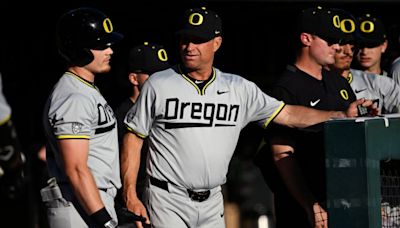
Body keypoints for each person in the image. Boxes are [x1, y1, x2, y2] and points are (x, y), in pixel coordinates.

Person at [120, 6, 377, 228]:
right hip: (167, 197)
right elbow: (134, 136)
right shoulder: (159, 83)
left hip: (212, 200)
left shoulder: (239, 88)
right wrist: (130, 193)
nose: (189, 47)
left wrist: (341, 114)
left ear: (217, 43)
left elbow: (287, 113)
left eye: (198, 39)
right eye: (185, 39)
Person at [255, 6, 375, 228]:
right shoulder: (286, 87)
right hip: (304, 210)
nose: (337, 46)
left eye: (338, 40)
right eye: (329, 40)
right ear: (306, 38)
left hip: (344, 202)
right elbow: (282, 155)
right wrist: (310, 205)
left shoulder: (338, 82)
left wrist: (366, 116)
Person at [41, 7, 123, 228]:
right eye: (101, 45)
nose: (110, 51)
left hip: (88, 201)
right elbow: (76, 169)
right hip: (79, 206)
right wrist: (104, 221)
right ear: (79, 49)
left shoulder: (84, 89)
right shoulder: (73, 97)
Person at [114, 42, 170, 226]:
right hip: (134, 209)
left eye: (163, 74)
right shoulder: (122, 116)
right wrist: (131, 202)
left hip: (163, 205)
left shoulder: (165, 112)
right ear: (133, 78)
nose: (160, 80)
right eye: (152, 75)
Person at [328, 10, 400, 114]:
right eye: (360, 45)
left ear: (384, 45)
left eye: (371, 45)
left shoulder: (386, 83)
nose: (364, 51)